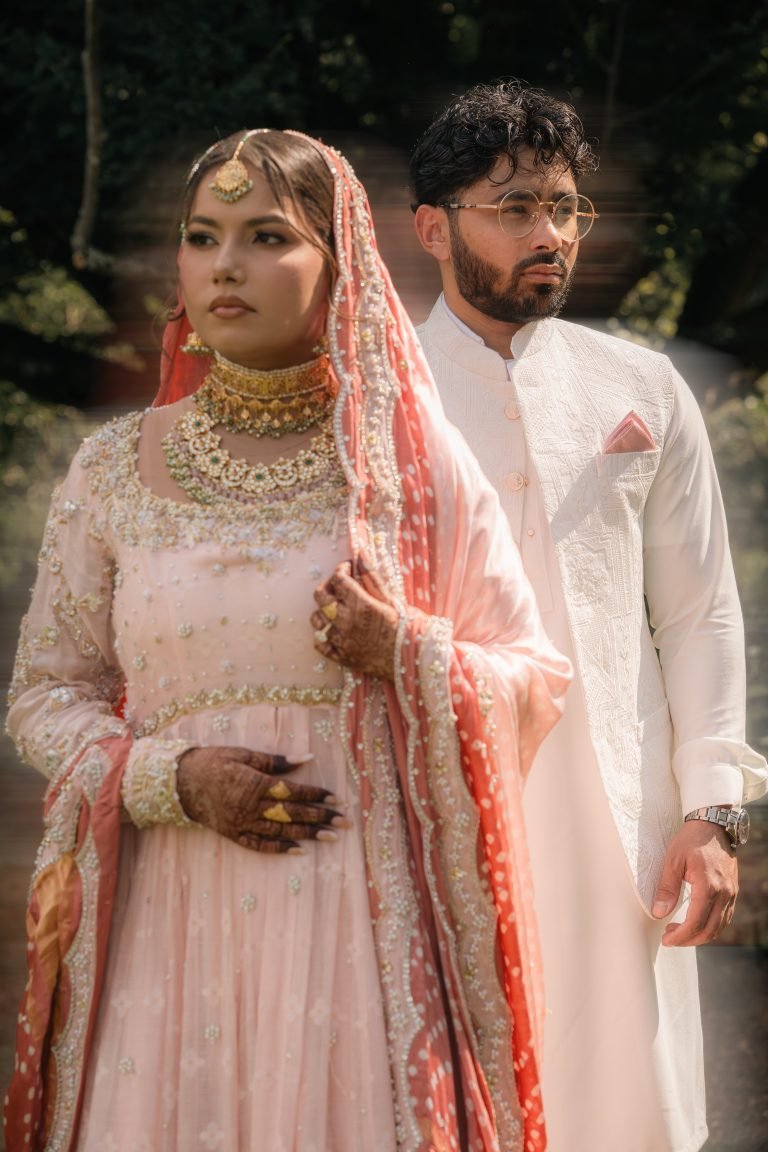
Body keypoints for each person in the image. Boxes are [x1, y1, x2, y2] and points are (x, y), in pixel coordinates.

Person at [4, 128, 571, 1152]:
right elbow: (45, 694)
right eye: (202, 236)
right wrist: (170, 780)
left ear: (338, 265)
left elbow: (533, 679)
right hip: (167, 922)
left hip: (357, 930)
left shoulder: (411, 465)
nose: (225, 265)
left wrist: (405, 650)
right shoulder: (111, 469)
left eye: (267, 236)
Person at [409, 79, 768, 1152]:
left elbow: (702, 612)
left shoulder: (642, 386)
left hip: (621, 823)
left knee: (623, 1113)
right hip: (435, 816)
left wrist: (713, 812)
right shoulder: (376, 397)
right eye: (513, 207)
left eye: (564, 208)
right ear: (433, 228)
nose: (550, 235)